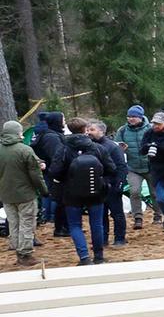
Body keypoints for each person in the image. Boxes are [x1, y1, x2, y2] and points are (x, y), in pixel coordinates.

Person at [54, 121, 109, 265]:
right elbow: (111, 168)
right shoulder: (97, 148)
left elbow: (55, 171)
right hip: (96, 191)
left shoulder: (64, 149)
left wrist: (67, 179)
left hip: (72, 193)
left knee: (75, 225)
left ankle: (84, 257)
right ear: (85, 130)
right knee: (97, 224)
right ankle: (99, 256)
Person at [0, 120, 47, 266]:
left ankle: (16, 248)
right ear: (18, 133)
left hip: (6, 194)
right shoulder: (25, 150)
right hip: (26, 194)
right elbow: (36, 175)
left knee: (13, 223)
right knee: (27, 223)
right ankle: (25, 254)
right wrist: (43, 190)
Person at [86, 121, 130, 246]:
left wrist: (119, 184)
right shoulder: (88, 147)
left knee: (117, 213)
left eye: (92, 130)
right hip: (96, 186)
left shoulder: (113, 147)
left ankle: (120, 238)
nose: (89, 132)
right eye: (88, 130)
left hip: (111, 185)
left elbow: (121, 167)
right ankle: (103, 239)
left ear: (101, 131)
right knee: (101, 215)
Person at [113, 106, 152, 230]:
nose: (131, 119)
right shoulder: (123, 130)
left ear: (140, 117)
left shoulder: (150, 129)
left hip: (150, 167)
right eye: (129, 117)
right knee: (134, 192)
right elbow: (116, 146)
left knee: (155, 194)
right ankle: (138, 218)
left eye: (133, 117)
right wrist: (121, 149)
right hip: (132, 167)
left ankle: (159, 214)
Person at [32, 111, 65, 237]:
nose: (64, 121)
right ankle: (51, 218)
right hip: (51, 170)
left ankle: (51, 218)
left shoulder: (45, 133)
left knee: (49, 193)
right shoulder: (51, 137)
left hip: (48, 168)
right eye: (63, 119)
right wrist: (58, 170)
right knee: (52, 194)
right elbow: (56, 155)